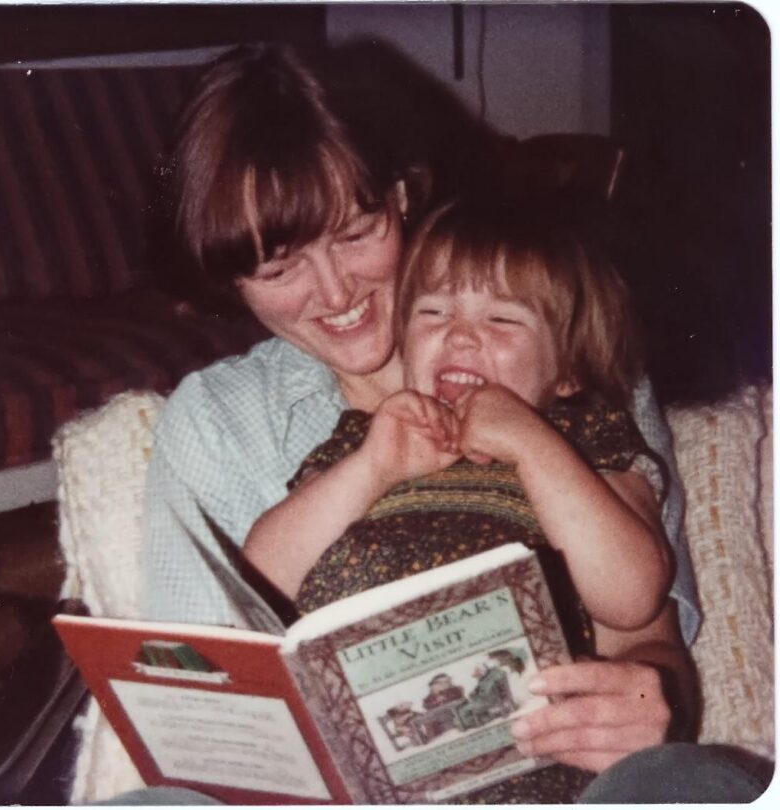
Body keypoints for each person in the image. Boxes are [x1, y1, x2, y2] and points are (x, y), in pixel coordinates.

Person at [142, 43, 764, 801]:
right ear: (233, 281)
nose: (335, 291)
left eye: (355, 232)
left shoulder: (569, 362)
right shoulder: (217, 424)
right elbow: (205, 700)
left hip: (554, 781)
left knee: (689, 782)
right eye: (279, 269)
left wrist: (652, 701)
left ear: (401, 198)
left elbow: (644, 628)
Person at [240, 197, 674, 801]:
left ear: (568, 371)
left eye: (503, 321)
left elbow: (632, 597)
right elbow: (255, 583)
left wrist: (532, 442)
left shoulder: (588, 445)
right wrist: (371, 468)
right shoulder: (364, 446)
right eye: (433, 311)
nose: (460, 334)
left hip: (528, 760)